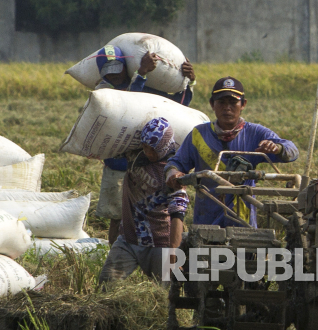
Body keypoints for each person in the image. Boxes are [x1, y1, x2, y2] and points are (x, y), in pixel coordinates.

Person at [92, 44, 196, 244]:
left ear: (125, 66)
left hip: (150, 165)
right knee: (118, 215)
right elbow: (131, 104)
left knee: (158, 210)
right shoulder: (104, 91)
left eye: (118, 70)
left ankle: (158, 252)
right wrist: (141, 73)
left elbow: (176, 107)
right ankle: (117, 251)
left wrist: (189, 82)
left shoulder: (148, 86)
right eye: (109, 73)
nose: (114, 76)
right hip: (118, 165)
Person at [165, 77, 299, 228]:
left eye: (233, 102)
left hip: (242, 221)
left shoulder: (255, 133)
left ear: (243, 104)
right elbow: (176, 162)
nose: (227, 108)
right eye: (221, 102)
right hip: (207, 220)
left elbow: (292, 150)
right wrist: (173, 172)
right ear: (212, 104)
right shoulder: (199, 135)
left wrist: (277, 148)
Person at [98, 118, 189, 284]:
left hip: (160, 243)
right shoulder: (135, 156)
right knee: (106, 283)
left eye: (153, 149)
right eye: (145, 147)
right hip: (128, 239)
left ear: (164, 146)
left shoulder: (172, 173)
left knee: (165, 295)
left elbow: (178, 214)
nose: (148, 153)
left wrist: (174, 251)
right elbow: (110, 148)